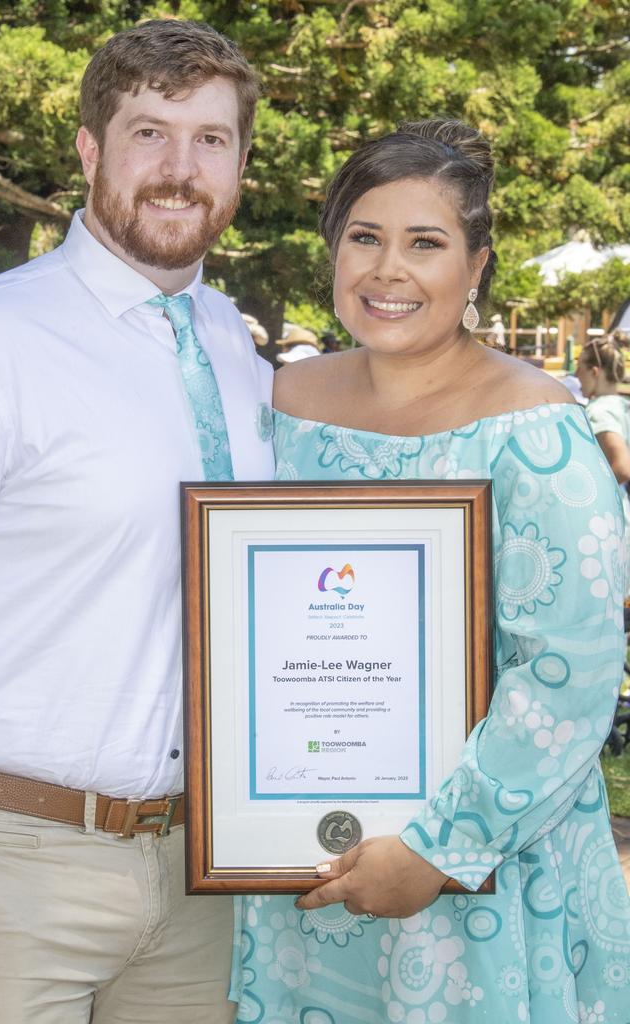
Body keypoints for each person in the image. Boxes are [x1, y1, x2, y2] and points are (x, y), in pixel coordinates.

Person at [0, 20, 273, 1024]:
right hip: (3, 868)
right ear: (91, 151)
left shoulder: (235, 346)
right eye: (149, 133)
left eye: (210, 140)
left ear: (241, 165)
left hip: (204, 879)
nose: (179, 170)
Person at [233, 119, 630, 1022]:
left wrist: (439, 849)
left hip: (474, 884)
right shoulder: (277, 408)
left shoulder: (536, 431)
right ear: (332, 249)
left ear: (476, 265)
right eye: (364, 237)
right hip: (297, 848)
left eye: (426, 243)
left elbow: (570, 674)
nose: (388, 270)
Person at [576, 336, 630, 554]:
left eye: (579, 368)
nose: (576, 375)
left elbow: (622, 466)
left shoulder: (599, 411)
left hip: (607, 519)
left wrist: (586, 496)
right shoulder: (621, 405)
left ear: (594, 372)